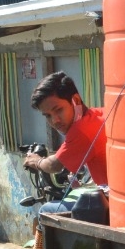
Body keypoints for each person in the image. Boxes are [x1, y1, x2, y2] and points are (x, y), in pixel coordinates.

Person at [22, 71, 108, 220]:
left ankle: (42, 245)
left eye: (58, 110)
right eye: (47, 115)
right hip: (114, 194)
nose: (55, 121)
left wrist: (36, 161)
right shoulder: (98, 114)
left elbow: (54, 165)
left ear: (75, 100)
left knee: (46, 210)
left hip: (112, 201)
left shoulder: (81, 130)